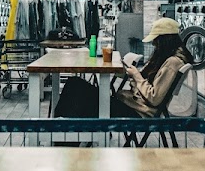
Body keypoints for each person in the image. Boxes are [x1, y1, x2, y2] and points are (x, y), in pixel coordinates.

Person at [53, 17, 190, 118]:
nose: (154, 43)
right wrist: (133, 76)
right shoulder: (165, 57)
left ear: (165, 40)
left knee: (77, 91)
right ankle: (62, 133)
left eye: (156, 39)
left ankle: (61, 136)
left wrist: (136, 76)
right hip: (131, 103)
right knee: (74, 85)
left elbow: (154, 98)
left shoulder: (172, 63)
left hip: (137, 111)